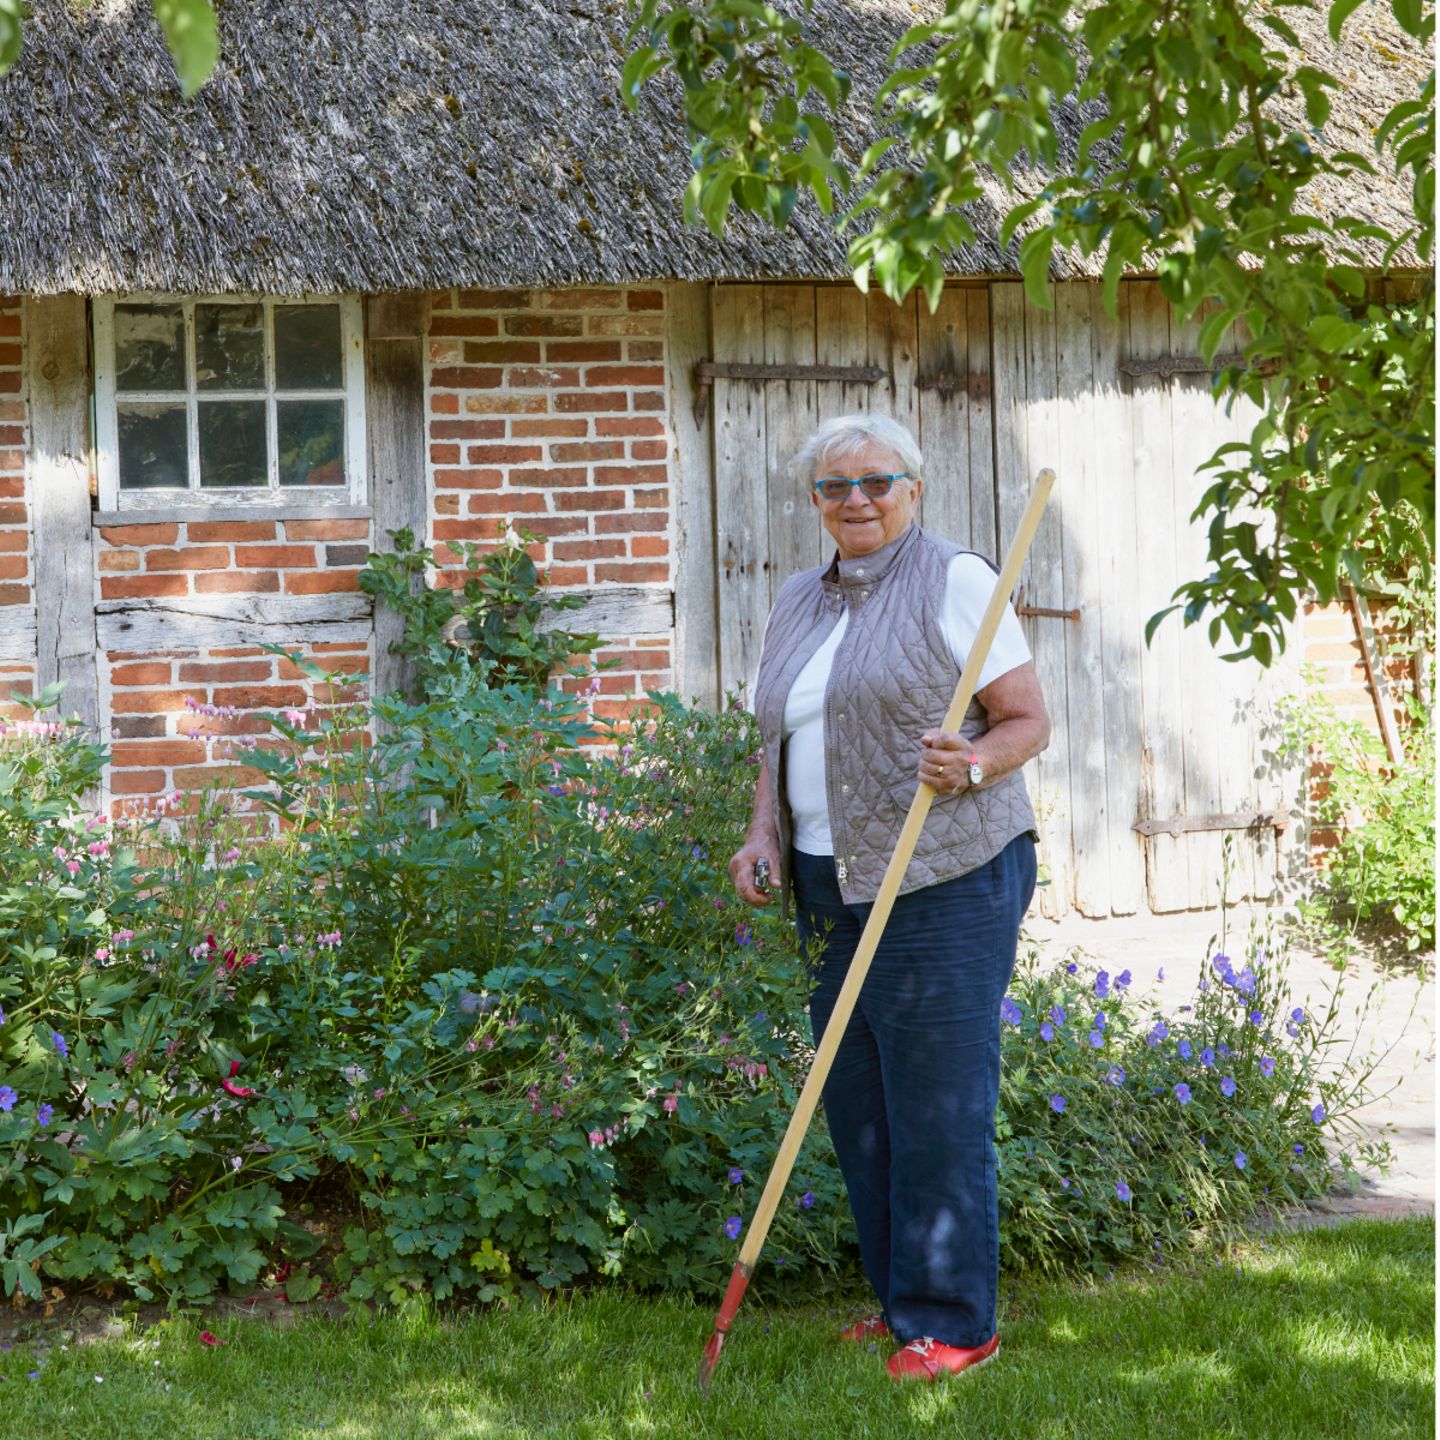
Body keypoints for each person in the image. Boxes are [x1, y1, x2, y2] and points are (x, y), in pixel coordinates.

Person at [727, 413, 1049, 1383]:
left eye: (877, 481)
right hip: (829, 883)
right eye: (836, 486)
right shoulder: (797, 600)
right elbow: (777, 736)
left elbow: (1026, 721)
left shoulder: (956, 580)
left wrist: (972, 762)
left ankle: (957, 1324)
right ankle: (902, 1305)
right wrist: (763, 831)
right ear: (815, 501)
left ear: (914, 488)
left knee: (937, 1103)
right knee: (860, 1102)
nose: (856, 500)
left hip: (942, 877)